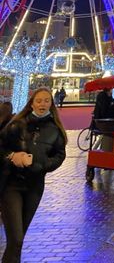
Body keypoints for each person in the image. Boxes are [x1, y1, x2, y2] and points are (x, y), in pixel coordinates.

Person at [0, 87, 67, 262]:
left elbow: (59, 155)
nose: (42, 104)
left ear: (51, 104)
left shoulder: (55, 130)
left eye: (46, 100)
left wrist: (40, 165)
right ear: (31, 104)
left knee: (18, 241)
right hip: (11, 185)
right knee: (16, 238)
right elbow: (1, 147)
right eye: (38, 100)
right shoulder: (16, 124)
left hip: (34, 187)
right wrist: (12, 156)